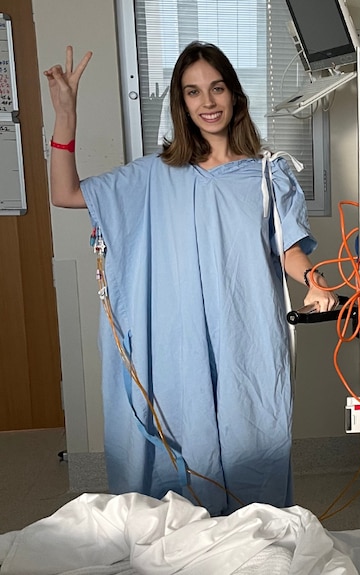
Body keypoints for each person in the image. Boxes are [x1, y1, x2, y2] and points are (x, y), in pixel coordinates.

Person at [44, 41, 339, 516]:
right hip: (175, 344)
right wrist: (65, 117)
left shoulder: (267, 175)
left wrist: (315, 282)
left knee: (251, 442)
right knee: (179, 452)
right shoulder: (154, 176)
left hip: (245, 337)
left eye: (217, 88)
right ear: (181, 104)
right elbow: (65, 193)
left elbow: (288, 248)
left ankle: (250, 553)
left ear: (235, 95)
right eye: (193, 92)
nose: (208, 102)